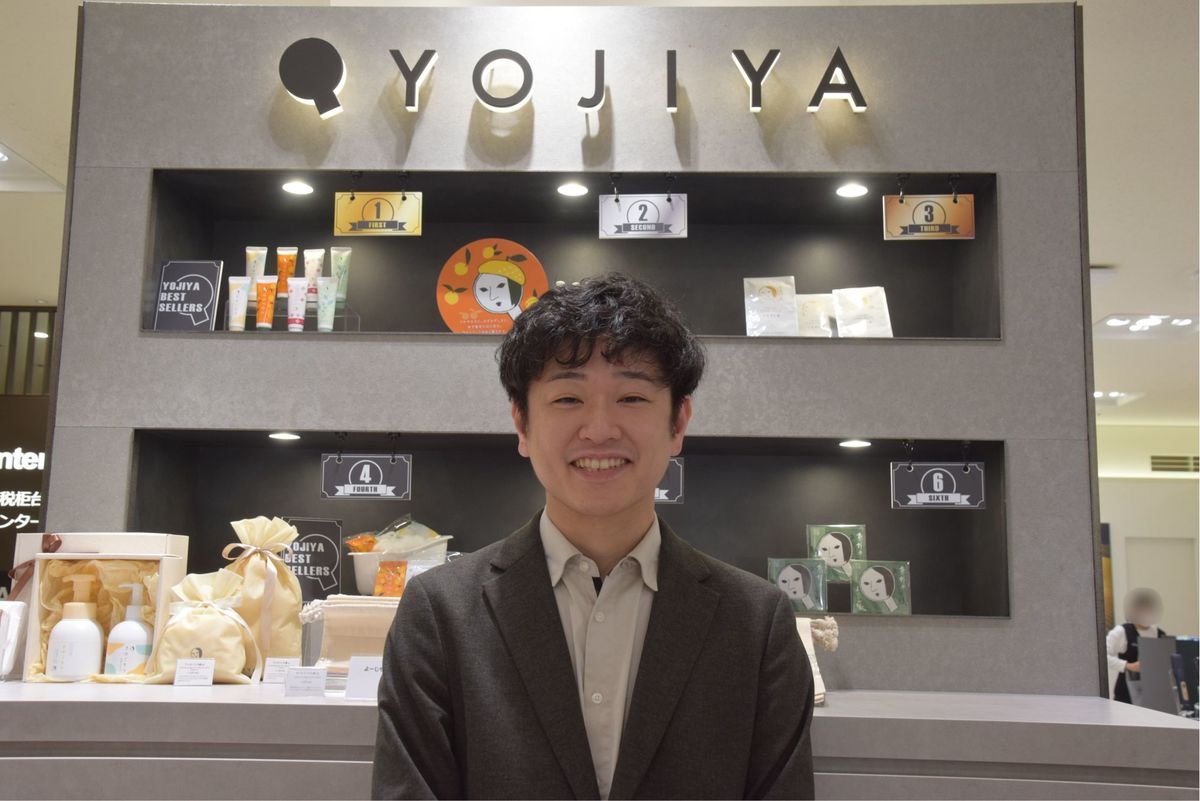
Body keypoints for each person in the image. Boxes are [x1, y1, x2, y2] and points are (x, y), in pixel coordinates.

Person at [373, 273, 815, 800]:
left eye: (632, 397)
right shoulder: (439, 614)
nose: (600, 429)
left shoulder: (757, 624)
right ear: (522, 424)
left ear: (678, 423)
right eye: (567, 399)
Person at [1107, 587, 1170, 703]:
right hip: (1127, 693)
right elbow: (1102, 657)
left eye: (1149, 609)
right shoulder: (1122, 631)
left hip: (1155, 693)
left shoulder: (1160, 634)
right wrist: (1128, 666)